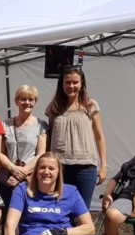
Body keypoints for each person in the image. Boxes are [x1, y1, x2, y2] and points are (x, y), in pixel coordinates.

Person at [45, 65, 106, 209]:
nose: (71, 86)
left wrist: (103, 166)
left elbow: (99, 136)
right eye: (67, 82)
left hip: (85, 167)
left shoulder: (90, 105)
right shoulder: (54, 107)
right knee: (60, 210)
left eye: (75, 82)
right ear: (61, 83)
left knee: (81, 211)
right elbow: (49, 137)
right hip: (60, 167)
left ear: (81, 83)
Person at [0, 84, 48, 207]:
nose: (27, 103)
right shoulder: (5, 124)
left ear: (35, 102)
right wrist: (13, 169)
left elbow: (41, 154)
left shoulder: (41, 125)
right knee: (5, 216)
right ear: (16, 101)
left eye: (31, 99)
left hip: (29, 181)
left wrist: (20, 175)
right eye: (23, 99)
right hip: (6, 180)